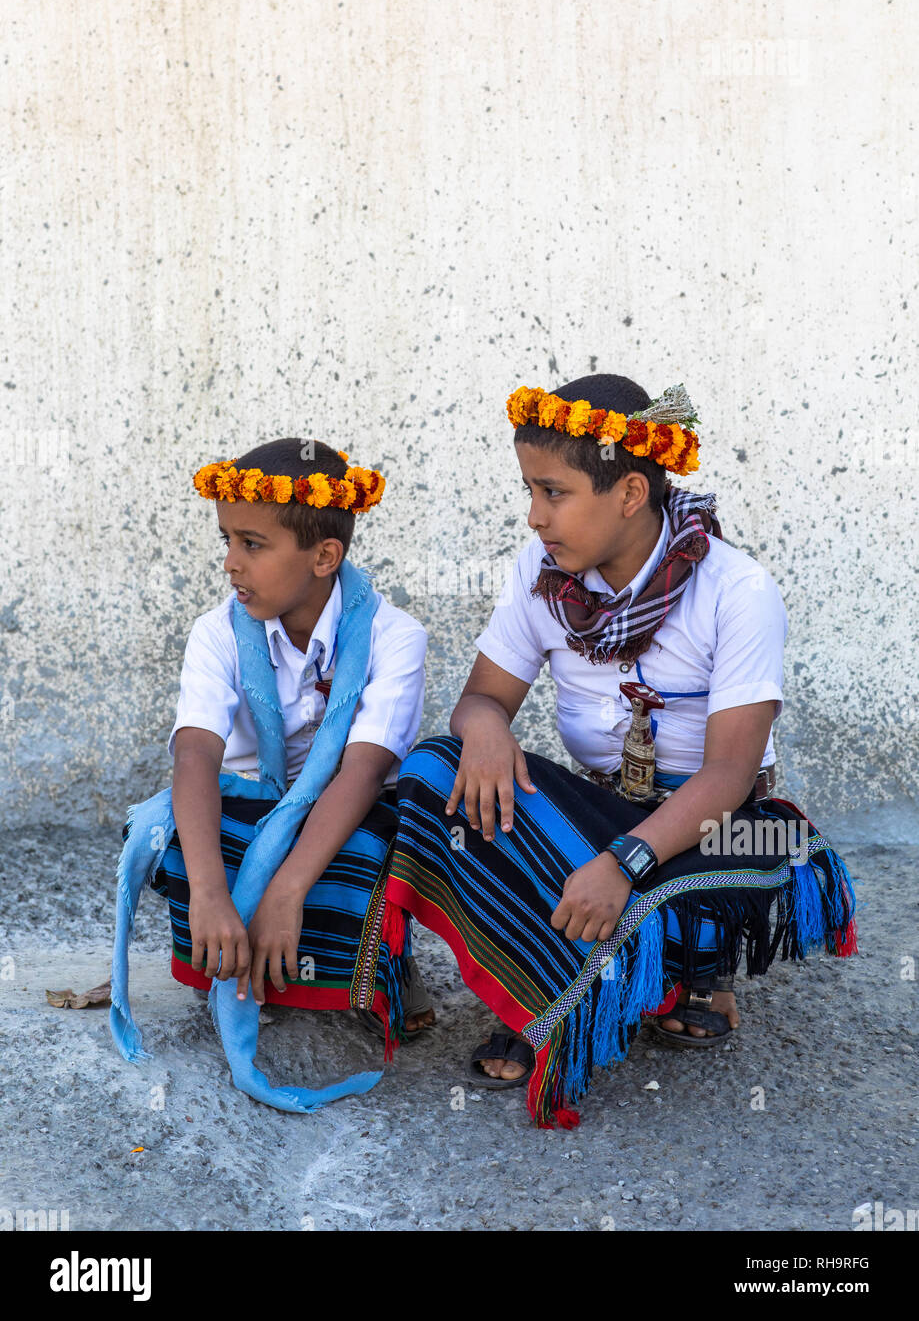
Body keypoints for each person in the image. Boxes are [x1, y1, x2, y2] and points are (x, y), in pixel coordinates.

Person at [386, 375, 856, 1128]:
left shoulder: (736, 591)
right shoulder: (539, 576)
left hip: (711, 821)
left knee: (738, 851)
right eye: (528, 493)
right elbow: (480, 699)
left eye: (553, 493)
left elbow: (729, 774)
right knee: (435, 769)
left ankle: (684, 962)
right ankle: (539, 980)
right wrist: (483, 730)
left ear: (630, 492)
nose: (534, 517)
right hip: (601, 805)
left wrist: (619, 864)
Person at [110, 439, 432, 1113]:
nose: (231, 563)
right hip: (248, 802)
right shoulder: (219, 631)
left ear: (324, 557)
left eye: (252, 543)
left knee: (384, 847)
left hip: (341, 806)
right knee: (171, 833)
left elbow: (367, 767)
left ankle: (376, 973)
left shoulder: (392, 636)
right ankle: (238, 953)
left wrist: (285, 890)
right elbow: (195, 755)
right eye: (227, 539)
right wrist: (207, 892)